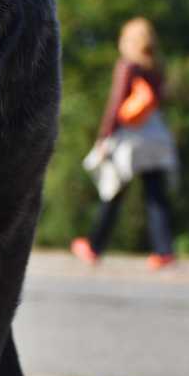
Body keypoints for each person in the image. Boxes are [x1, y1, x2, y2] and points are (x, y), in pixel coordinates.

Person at [71, 17, 178, 270]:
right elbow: (160, 100)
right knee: (155, 195)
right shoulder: (157, 66)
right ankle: (164, 251)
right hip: (156, 136)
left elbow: (117, 102)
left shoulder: (128, 65)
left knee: (114, 190)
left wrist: (104, 136)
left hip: (131, 137)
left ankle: (94, 246)